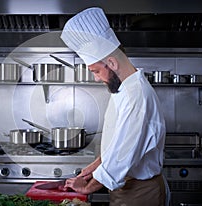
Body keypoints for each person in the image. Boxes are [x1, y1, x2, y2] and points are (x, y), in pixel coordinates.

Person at [60, 7, 167, 206]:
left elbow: (122, 156)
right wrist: (94, 168)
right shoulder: (124, 90)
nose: (96, 78)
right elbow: (118, 142)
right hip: (124, 188)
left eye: (96, 71)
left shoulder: (137, 96)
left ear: (111, 62)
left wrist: (87, 187)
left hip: (139, 193)